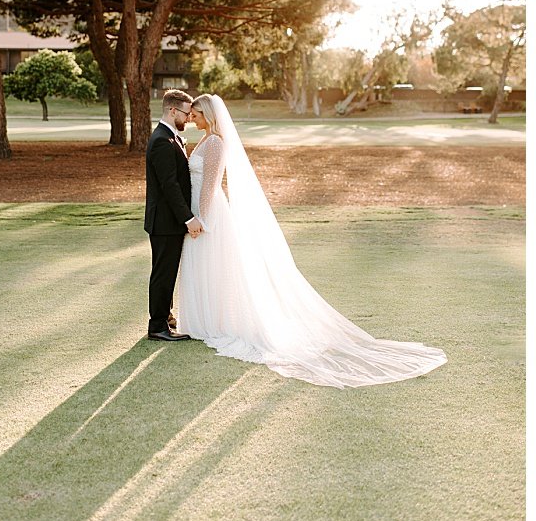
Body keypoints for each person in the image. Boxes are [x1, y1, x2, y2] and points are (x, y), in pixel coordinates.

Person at [175, 94, 447, 386]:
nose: (192, 117)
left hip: (209, 213)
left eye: (196, 113)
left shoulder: (215, 142)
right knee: (204, 267)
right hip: (197, 211)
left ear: (209, 115)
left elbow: (211, 185)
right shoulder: (204, 140)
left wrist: (201, 218)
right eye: (190, 114)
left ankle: (212, 323)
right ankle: (205, 320)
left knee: (211, 265)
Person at [143, 89, 202, 341]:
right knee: (163, 273)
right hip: (165, 221)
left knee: (166, 271)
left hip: (169, 221)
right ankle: (157, 326)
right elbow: (169, 186)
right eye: (187, 113)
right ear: (173, 110)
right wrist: (188, 218)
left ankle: (165, 317)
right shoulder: (161, 141)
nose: (189, 118)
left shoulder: (172, 137)